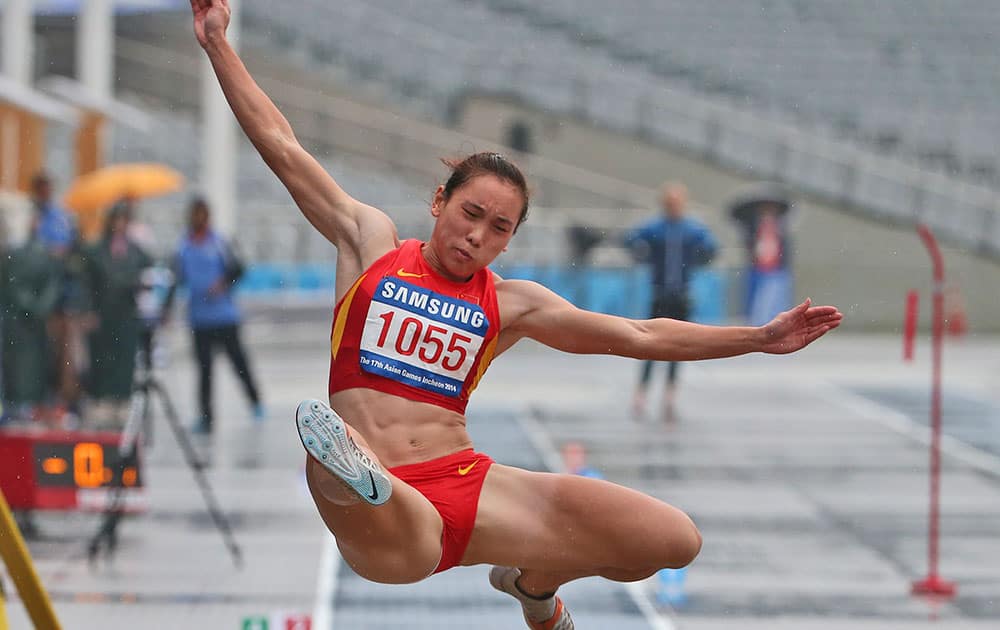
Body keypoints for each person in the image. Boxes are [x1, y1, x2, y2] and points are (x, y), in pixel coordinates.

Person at [191, 2, 842, 628]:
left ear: (508, 241)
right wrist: (219, 41)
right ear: (440, 201)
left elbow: (640, 334)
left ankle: (532, 583)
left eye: (498, 228)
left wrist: (758, 337)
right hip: (383, 506)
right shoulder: (369, 242)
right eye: (470, 214)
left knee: (672, 540)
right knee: (348, 475)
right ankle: (351, 473)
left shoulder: (509, 303)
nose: (477, 235)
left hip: (467, 482)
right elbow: (281, 145)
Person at [170, 196, 263, 434]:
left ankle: (255, 401)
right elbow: (176, 279)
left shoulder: (220, 242)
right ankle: (206, 416)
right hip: (199, 318)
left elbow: (238, 269)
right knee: (204, 370)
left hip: (224, 316)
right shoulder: (183, 247)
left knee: (238, 362)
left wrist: (222, 284)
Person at [624, 182, 717, 418]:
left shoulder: (691, 230)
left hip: (681, 293)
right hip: (660, 292)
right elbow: (629, 239)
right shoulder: (656, 228)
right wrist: (642, 255)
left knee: (679, 346)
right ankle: (642, 392)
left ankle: (670, 392)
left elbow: (711, 248)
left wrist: (700, 260)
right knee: (649, 344)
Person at [81, 203, 153, 428]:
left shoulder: (136, 252)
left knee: (124, 358)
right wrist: (88, 310)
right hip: (104, 312)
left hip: (126, 313)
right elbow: (87, 283)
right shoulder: (96, 251)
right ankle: (102, 400)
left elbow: (149, 274)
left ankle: (122, 400)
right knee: (102, 357)